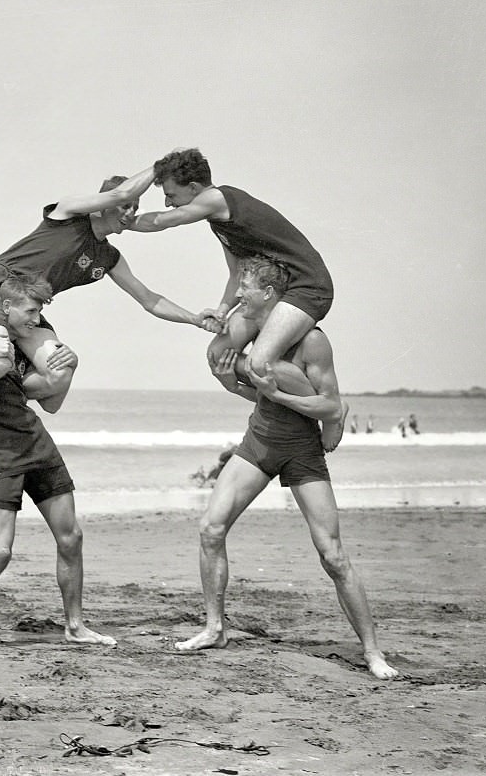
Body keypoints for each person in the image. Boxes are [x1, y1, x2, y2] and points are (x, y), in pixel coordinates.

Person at [175, 256, 397, 680]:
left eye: (245, 288)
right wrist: (231, 383)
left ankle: (372, 652)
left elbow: (329, 404)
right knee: (211, 528)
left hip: (302, 450)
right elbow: (258, 394)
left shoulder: (312, 341)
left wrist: (281, 396)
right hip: (258, 442)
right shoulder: (252, 334)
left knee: (332, 555)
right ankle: (214, 627)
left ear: (270, 294)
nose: (237, 295)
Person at [0, 169, 219, 459]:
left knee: (58, 373)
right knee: (0, 355)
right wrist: (162, 165)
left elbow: (149, 300)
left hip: (29, 310)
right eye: (125, 206)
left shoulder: (108, 258)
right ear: (104, 203)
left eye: (135, 207)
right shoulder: (66, 214)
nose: (130, 212)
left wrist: (194, 318)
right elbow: (122, 192)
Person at [132, 148, 346, 451]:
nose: (168, 202)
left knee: (259, 361)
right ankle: (290, 405)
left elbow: (163, 221)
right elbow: (236, 275)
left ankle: (331, 409)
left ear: (194, 188)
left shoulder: (216, 198)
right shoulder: (219, 222)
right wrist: (222, 311)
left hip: (308, 286)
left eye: (171, 194)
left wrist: (120, 221)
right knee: (218, 354)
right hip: (276, 287)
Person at [0, 274, 115, 649]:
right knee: (1, 551)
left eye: (39, 312)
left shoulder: (21, 347)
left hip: (39, 446)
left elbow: (49, 400)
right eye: (31, 311)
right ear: (6, 307)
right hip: (1, 454)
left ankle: (75, 626)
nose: (36, 320)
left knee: (71, 537)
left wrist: (68, 368)